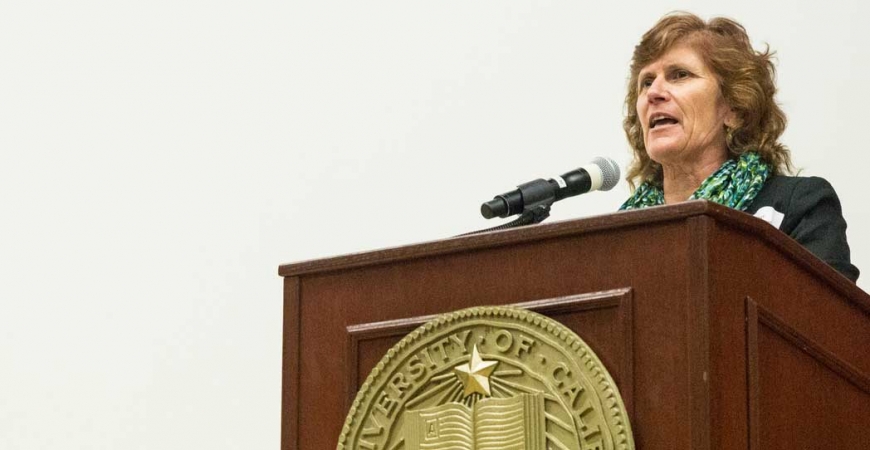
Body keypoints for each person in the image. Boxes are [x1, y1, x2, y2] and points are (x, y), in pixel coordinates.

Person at [619, 12, 859, 282]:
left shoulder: (798, 208)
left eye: (679, 75)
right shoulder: (616, 235)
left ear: (734, 108)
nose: (653, 93)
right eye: (646, 82)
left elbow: (827, 317)